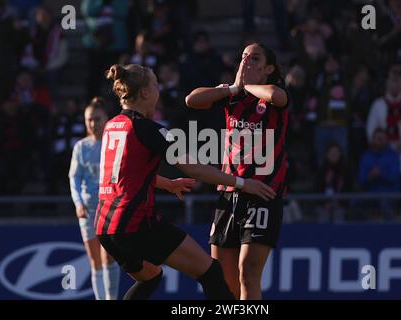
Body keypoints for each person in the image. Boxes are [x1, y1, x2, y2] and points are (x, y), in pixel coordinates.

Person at [97, 63, 276, 300]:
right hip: (136, 224)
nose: (159, 92)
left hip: (105, 227)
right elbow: (194, 168)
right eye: (156, 85)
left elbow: (123, 177)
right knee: (211, 272)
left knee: (150, 277)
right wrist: (242, 183)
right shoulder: (149, 129)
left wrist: (167, 184)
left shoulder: (112, 125)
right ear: (145, 93)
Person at [185, 43, 289, 299]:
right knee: (222, 280)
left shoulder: (272, 97)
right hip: (229, 192)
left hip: (263, 193)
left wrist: (245, 87)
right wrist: (233, 88)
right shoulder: (231, 96)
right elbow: (192, 100)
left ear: (269, 68)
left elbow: (278, 96)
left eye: (255, 58)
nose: (246, 62)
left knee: (248, 273)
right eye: (243, 57)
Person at [69, 97, 120, 299]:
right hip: (89, 209)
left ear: (106, 119)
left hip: (110, 208)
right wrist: (79, 203)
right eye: (89, 119)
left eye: (97, 119)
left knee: (109, 256)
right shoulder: (81, 147)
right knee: (94, 260)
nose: (93, 123)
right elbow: (74, 178)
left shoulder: (114, 143)